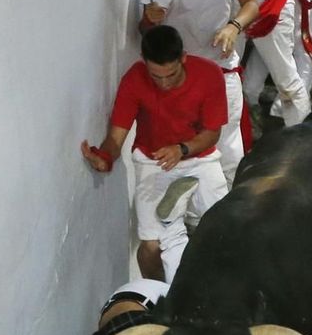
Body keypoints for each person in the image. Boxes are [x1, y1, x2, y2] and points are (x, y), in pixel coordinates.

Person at [81, 26, 228, 282]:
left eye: (170, 75)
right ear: (144, 62)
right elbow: (117, 136)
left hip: (200, 158)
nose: (163, 83)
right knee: (151, 248)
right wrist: (105, 157)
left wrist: (181, 149)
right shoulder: (134, 79)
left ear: (183, 58)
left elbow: (212, 133)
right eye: (155, 76)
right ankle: (160, 299)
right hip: (154, 162)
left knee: (226, 232)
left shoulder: (209, 74)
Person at [137, 0, 259, 185]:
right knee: (184, 151)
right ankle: (195, 213)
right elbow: (146, 30)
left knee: (229, 151)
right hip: (179, 76)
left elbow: (251, 4)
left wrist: (234, 26)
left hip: (221, 69)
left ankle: (228, 208)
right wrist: (150, 20)